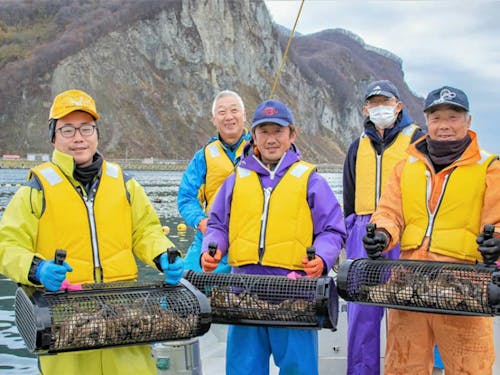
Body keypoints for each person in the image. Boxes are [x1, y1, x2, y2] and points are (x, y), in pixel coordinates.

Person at [0, 89, 184, 375]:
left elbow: (146, 231)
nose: (78, 137)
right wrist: (37, 268)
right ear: (53, 136)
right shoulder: (35, 190)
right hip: (63, 323)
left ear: (97, 134)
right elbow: (8, 245)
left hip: (125, 317)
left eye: (86, 128)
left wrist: (163, 256)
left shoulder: (124, 183)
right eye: (68, 129)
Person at [200, 99, 347, 375]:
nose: (271, 139)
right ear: (252, 135)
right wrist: (213, 248)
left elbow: (333, 230)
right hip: (243, 292)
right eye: (263, 131)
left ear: (292, 134)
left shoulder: (311, 180)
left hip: (294, 293)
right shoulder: (236, 179)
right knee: (243, 368)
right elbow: (218, 224)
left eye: (278, 131)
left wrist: (323, 258)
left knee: (298, 369)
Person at [363, 85, 499, 374]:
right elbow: (389, 212)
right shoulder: (405, 167)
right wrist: (382, 234)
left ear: (468, 122)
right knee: (403, 366)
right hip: (409, 280)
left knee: (470, 367)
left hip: (465, 283)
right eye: (436, 118)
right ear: (427, 122)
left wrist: (497, 241)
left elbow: (497, 222)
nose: (444, 125)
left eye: (453, 117)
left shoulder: (489, 167)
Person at [342, 79, 424, 375]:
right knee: (361, 314)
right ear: (365, 109)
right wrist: (349, 234)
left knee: (406, 313)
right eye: (373, 104)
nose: (379, 108)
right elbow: (349, 200)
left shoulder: (419, 140)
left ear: (398, 106)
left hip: (405, 231)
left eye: (385, 102)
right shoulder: (356, 147)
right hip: (363, 233)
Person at [178, 90, 251, 273]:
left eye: (234, 110)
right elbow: (186, 197)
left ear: (244, 115)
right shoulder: (203, 156)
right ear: (213, 119)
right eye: (222, 112)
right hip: (212, 234)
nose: (229, 117)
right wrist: (200, 221)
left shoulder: (260, 148)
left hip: (250, 236)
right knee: (181, 287)